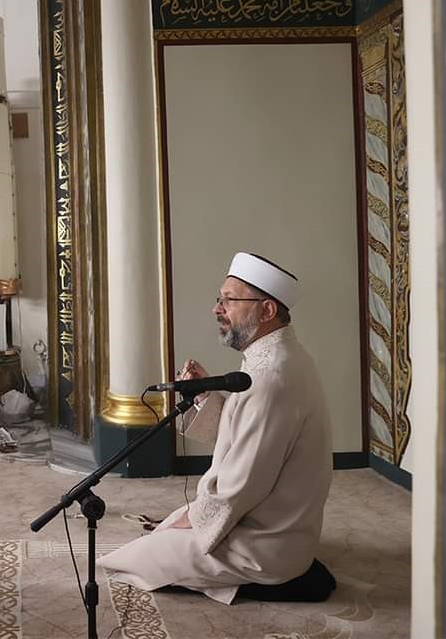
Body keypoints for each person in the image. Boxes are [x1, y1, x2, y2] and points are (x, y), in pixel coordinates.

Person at [98, 252, 335, 604]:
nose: (217, 308)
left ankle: (254, 578)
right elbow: (247, 434)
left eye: (229, 300)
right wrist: (204, 395)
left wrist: (197, 519)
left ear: (267, 311)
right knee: (167, 531)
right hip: (274, 525)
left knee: (126, 562)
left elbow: (242, 483)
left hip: (264, 544)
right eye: (219, 298)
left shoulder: (271, 376)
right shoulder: (279, 357)